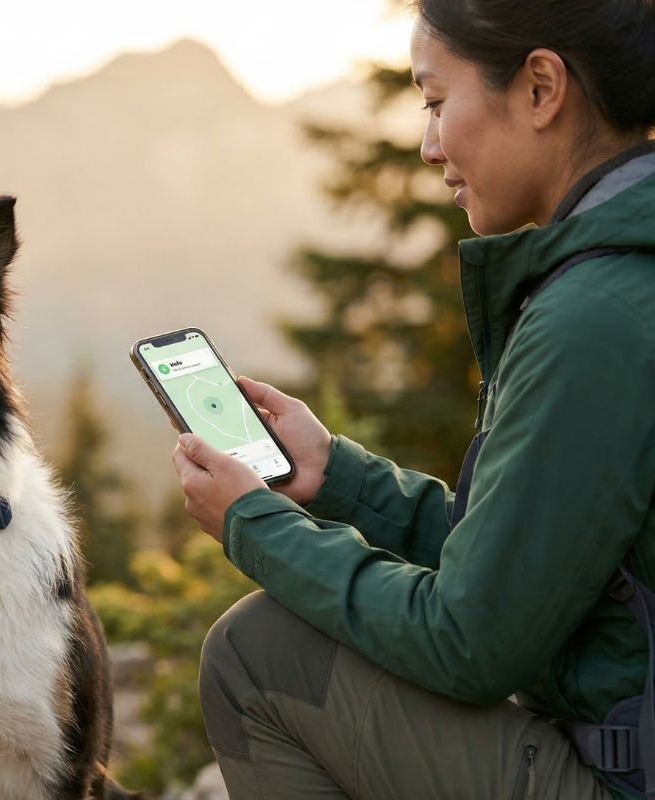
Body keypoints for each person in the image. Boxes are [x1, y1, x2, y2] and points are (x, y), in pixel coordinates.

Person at [172, 1, 655, 798]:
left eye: (435, 102)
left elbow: (470, 643)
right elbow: (534, 565)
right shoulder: (617, 281)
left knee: (256, 656)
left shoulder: (594, 317)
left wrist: (252, 525)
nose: (430, 145)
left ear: (540, 88)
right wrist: (340, 481)